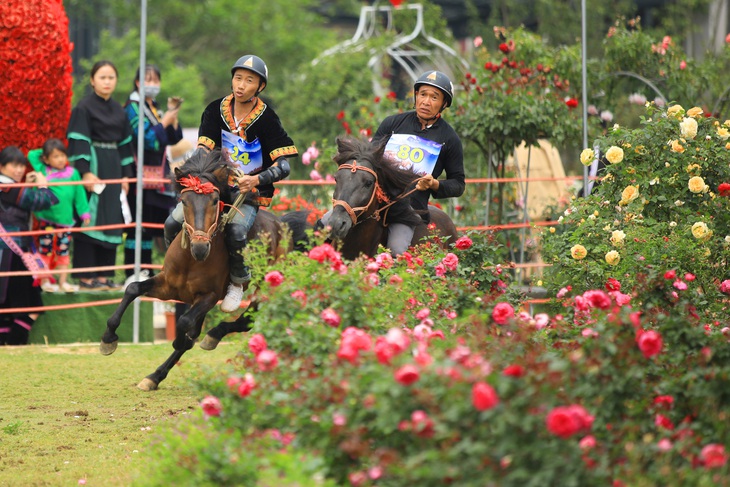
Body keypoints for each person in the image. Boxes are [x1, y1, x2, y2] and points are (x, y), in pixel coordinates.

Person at [164, 54, 298, 312]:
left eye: (249, 81)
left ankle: (237, 283)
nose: (241, 85)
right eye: (238, 78)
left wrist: (257, 179)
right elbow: (203, 152)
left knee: (236, 231)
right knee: (172, 222)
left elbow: (284, 166)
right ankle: (174, 272)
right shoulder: (214, 110)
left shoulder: (268, 119)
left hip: (246, 195)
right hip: (213, 190)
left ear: (260, 87)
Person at [320, 70, 465, 256]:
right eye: (422, 94)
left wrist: (435, 184)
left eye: (434, 97)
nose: (426, 101)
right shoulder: (392, 124)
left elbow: (458, 184)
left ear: (444, 103)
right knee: (321, 227)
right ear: (416, 95)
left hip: (408, 209)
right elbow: (369, 160)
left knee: (396, 251)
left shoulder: (450, 139)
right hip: (374, 203)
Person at [66, 60, 135, 291]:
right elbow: (79, 142)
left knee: (112, 219)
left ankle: (105, 276)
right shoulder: (83, 108)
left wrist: (126, 176)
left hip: (114, 167)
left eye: (111, 77)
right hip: (93, 166)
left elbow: (126, 145)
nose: (107, 82)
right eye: (102, 77)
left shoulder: (119, 110)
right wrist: (85, 172)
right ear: (92, 80)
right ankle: (86, 277)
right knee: (90, 219)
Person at [123, 64, 183, 282]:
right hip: (138, 174)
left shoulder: (155, 107)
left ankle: (148, 270)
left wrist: (172, 116)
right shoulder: (132, 107)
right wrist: (164, 121)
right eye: (148, 80)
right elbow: (146, 139)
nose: (153, 85)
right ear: (138, 82)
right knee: (137, 226)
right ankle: (132, 272)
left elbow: (175, 138)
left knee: (153, 226)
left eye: (156, 80)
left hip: (159, 175)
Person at [0, 146, 59, 345]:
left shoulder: (8, 187)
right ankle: (16, 344)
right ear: (2, 166)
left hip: (8, 251)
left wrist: (25, 184)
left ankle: (7, 346)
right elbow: (45, 201)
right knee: (32, 305)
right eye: (13, 166)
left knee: (6, 305)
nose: (18, 170)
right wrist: (43, 185)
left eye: (20, 166)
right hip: (13, 252)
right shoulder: (8, 187)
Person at [27, 139, 91, 292]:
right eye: (55, 156)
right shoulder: (42, 169)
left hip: (65, 222)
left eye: (62, 155)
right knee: (45, 251)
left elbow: (79, 195)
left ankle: (63, 282)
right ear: (46, 159)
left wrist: (84, 213)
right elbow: (31, 154)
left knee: (63, 251)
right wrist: (45, 155)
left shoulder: (73, 173)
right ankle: (44, 282)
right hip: (47, 220)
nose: (61, 159)